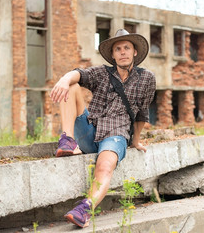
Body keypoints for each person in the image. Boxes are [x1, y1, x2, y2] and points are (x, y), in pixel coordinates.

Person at [49, 29, 156, 228]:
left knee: (104, 166)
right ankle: (68, 140)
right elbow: (79, 74)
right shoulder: (101, 73)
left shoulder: (147, 78)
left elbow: (142, 113)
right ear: (113, 54)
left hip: (115, 135)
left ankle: (85, 209)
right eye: (118, 49)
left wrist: (135, 140)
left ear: (134, 52)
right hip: (90, 130)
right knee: (72, 86)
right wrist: (64, 79)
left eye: (127, 48)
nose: (122, 52)